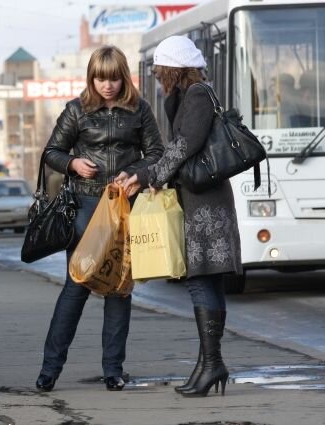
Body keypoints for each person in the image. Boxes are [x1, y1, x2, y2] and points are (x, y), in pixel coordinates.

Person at [36, 45, 164, 392]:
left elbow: (156, 154)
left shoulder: (140, 110)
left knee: (119, 288)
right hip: (86, 209)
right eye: (100, 78)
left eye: (114, 78)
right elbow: (51, 152)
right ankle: (49, 370)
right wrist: (73, 164)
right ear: (91, 78)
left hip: (124, 209)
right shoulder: (76, 110)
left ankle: (113, 371)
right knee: (75, 286)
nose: (107, 85)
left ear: (124, 78)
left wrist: (135, 173)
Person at [121, 36, 242, 397]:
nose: (158, 78)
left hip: (206, 206)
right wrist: (144, 175)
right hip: (199, 201)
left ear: (173, 69)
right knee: (202, 280)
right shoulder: (190, 96)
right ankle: (208, 364)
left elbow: (184, 145)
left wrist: (148, 176)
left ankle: (212, 364)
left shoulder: (198, 95)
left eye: (161, 72)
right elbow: (182, 146)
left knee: (201, 280)